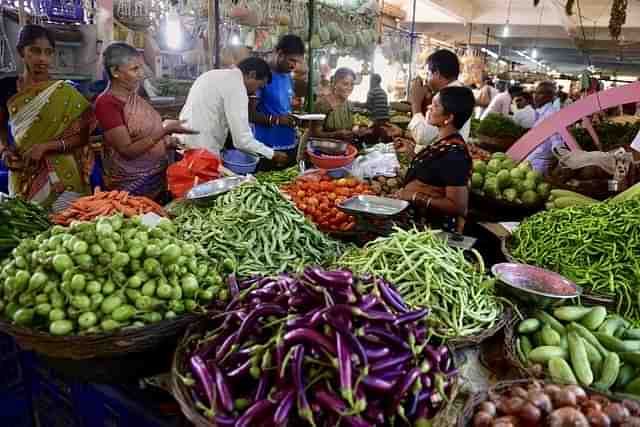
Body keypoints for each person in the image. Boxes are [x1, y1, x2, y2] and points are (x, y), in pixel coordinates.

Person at [0, 25, 95, 211]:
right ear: (21, 51)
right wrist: (4, 150)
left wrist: (46, 147)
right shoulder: (6, 88)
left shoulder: (66, 91)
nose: (42, 59)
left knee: (66, 226)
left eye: (48, 52)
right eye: (35, 51)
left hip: (64, 172)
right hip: (24, 169)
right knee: (28, 226)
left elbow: (83, 136)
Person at [94, 42, 196, 199]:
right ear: (115, 71)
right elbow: (127, 150)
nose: (141, 74)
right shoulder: (106, 103)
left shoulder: (133, 97)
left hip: (158, 176)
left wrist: (168, 141)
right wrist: (164, 131)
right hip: (132, 185)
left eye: (140, 68)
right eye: (134, 69)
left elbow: (144, 132)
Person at [179, 57, 288, 165]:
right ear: (252, 75)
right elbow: (242, 141)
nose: (256, 91)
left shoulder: (212, 75)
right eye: (259, 86)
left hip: (181, 143)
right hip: (201, 152)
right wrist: (272, 154)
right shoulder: (237, 88)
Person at [394, 86, 476, 226]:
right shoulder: (443, 141)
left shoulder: (455, 155)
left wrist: (413, 196)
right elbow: (433, 174)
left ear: (449, 117)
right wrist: (412, 155)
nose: (429, 108)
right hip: (415, 223)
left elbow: (458, 206)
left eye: (436, 106)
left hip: (431, 231)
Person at [250, 35, 305, 170]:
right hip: (268, 149)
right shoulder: (261, 75)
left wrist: (295, 117)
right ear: (280, 54)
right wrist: (276, 120)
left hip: (289, 144)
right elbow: (249, 114)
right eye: (291, 60)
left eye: (297, 62)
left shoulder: (288, 77)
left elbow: (283, 108)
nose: (294, 65)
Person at [408, 49, 471, 147]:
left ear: (437, 73)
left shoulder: (452, 96)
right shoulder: (454, 91)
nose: (427, 79)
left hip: (446, 155)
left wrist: (416, 103)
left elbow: (423, 136)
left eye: (428, 74)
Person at [526, 81, 566, 174]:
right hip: (530, 161)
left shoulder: (551, 115)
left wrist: (563, 162)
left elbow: (557, 141)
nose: (535, 96)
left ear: (549, 96)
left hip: (538, 166)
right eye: (535, 93)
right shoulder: (540, 112)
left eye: (539, 93)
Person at [310, 67, 357, 141]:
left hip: (345, 149)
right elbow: (313, 133)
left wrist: (356, 130)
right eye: (345, 84)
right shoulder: (322, 104)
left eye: (352, 84)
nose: (349, 88)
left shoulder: (349, 104)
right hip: (324, 149)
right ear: (335, 84)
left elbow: (350, 127)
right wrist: (334, 135)